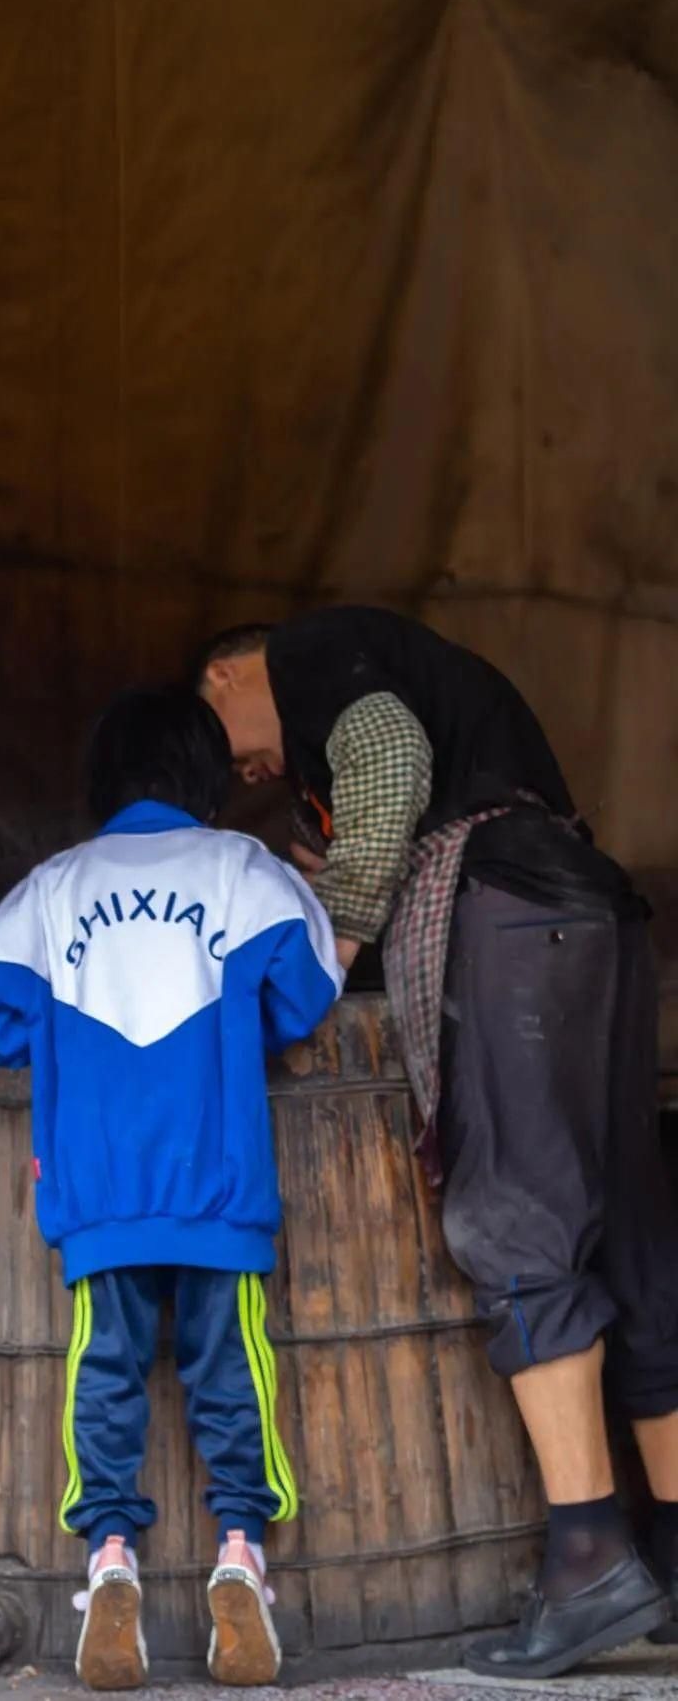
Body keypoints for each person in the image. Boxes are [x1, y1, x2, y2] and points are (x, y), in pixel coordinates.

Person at [197, 608, 678, 1680]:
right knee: (633, 1230)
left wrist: (338, 940)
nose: (251, 768)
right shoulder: (414, 685)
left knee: (511, 1214)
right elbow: (384, 777)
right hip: (589, 912)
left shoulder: (319, 658)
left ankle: (593, 1554)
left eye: (228, 737)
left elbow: (390, 759)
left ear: (228, 674)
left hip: (512, 924)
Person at [0, 685, 343, 1689]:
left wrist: (56, 1045)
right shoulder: (239, 869)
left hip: (97, 1188)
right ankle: (240, 1554)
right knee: (233, 1372)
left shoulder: (54, 885)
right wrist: (237, 1032)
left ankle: (112, 1560)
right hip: (218, 1181)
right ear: (203, 776)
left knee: (106, 1370)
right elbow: (307, 990)